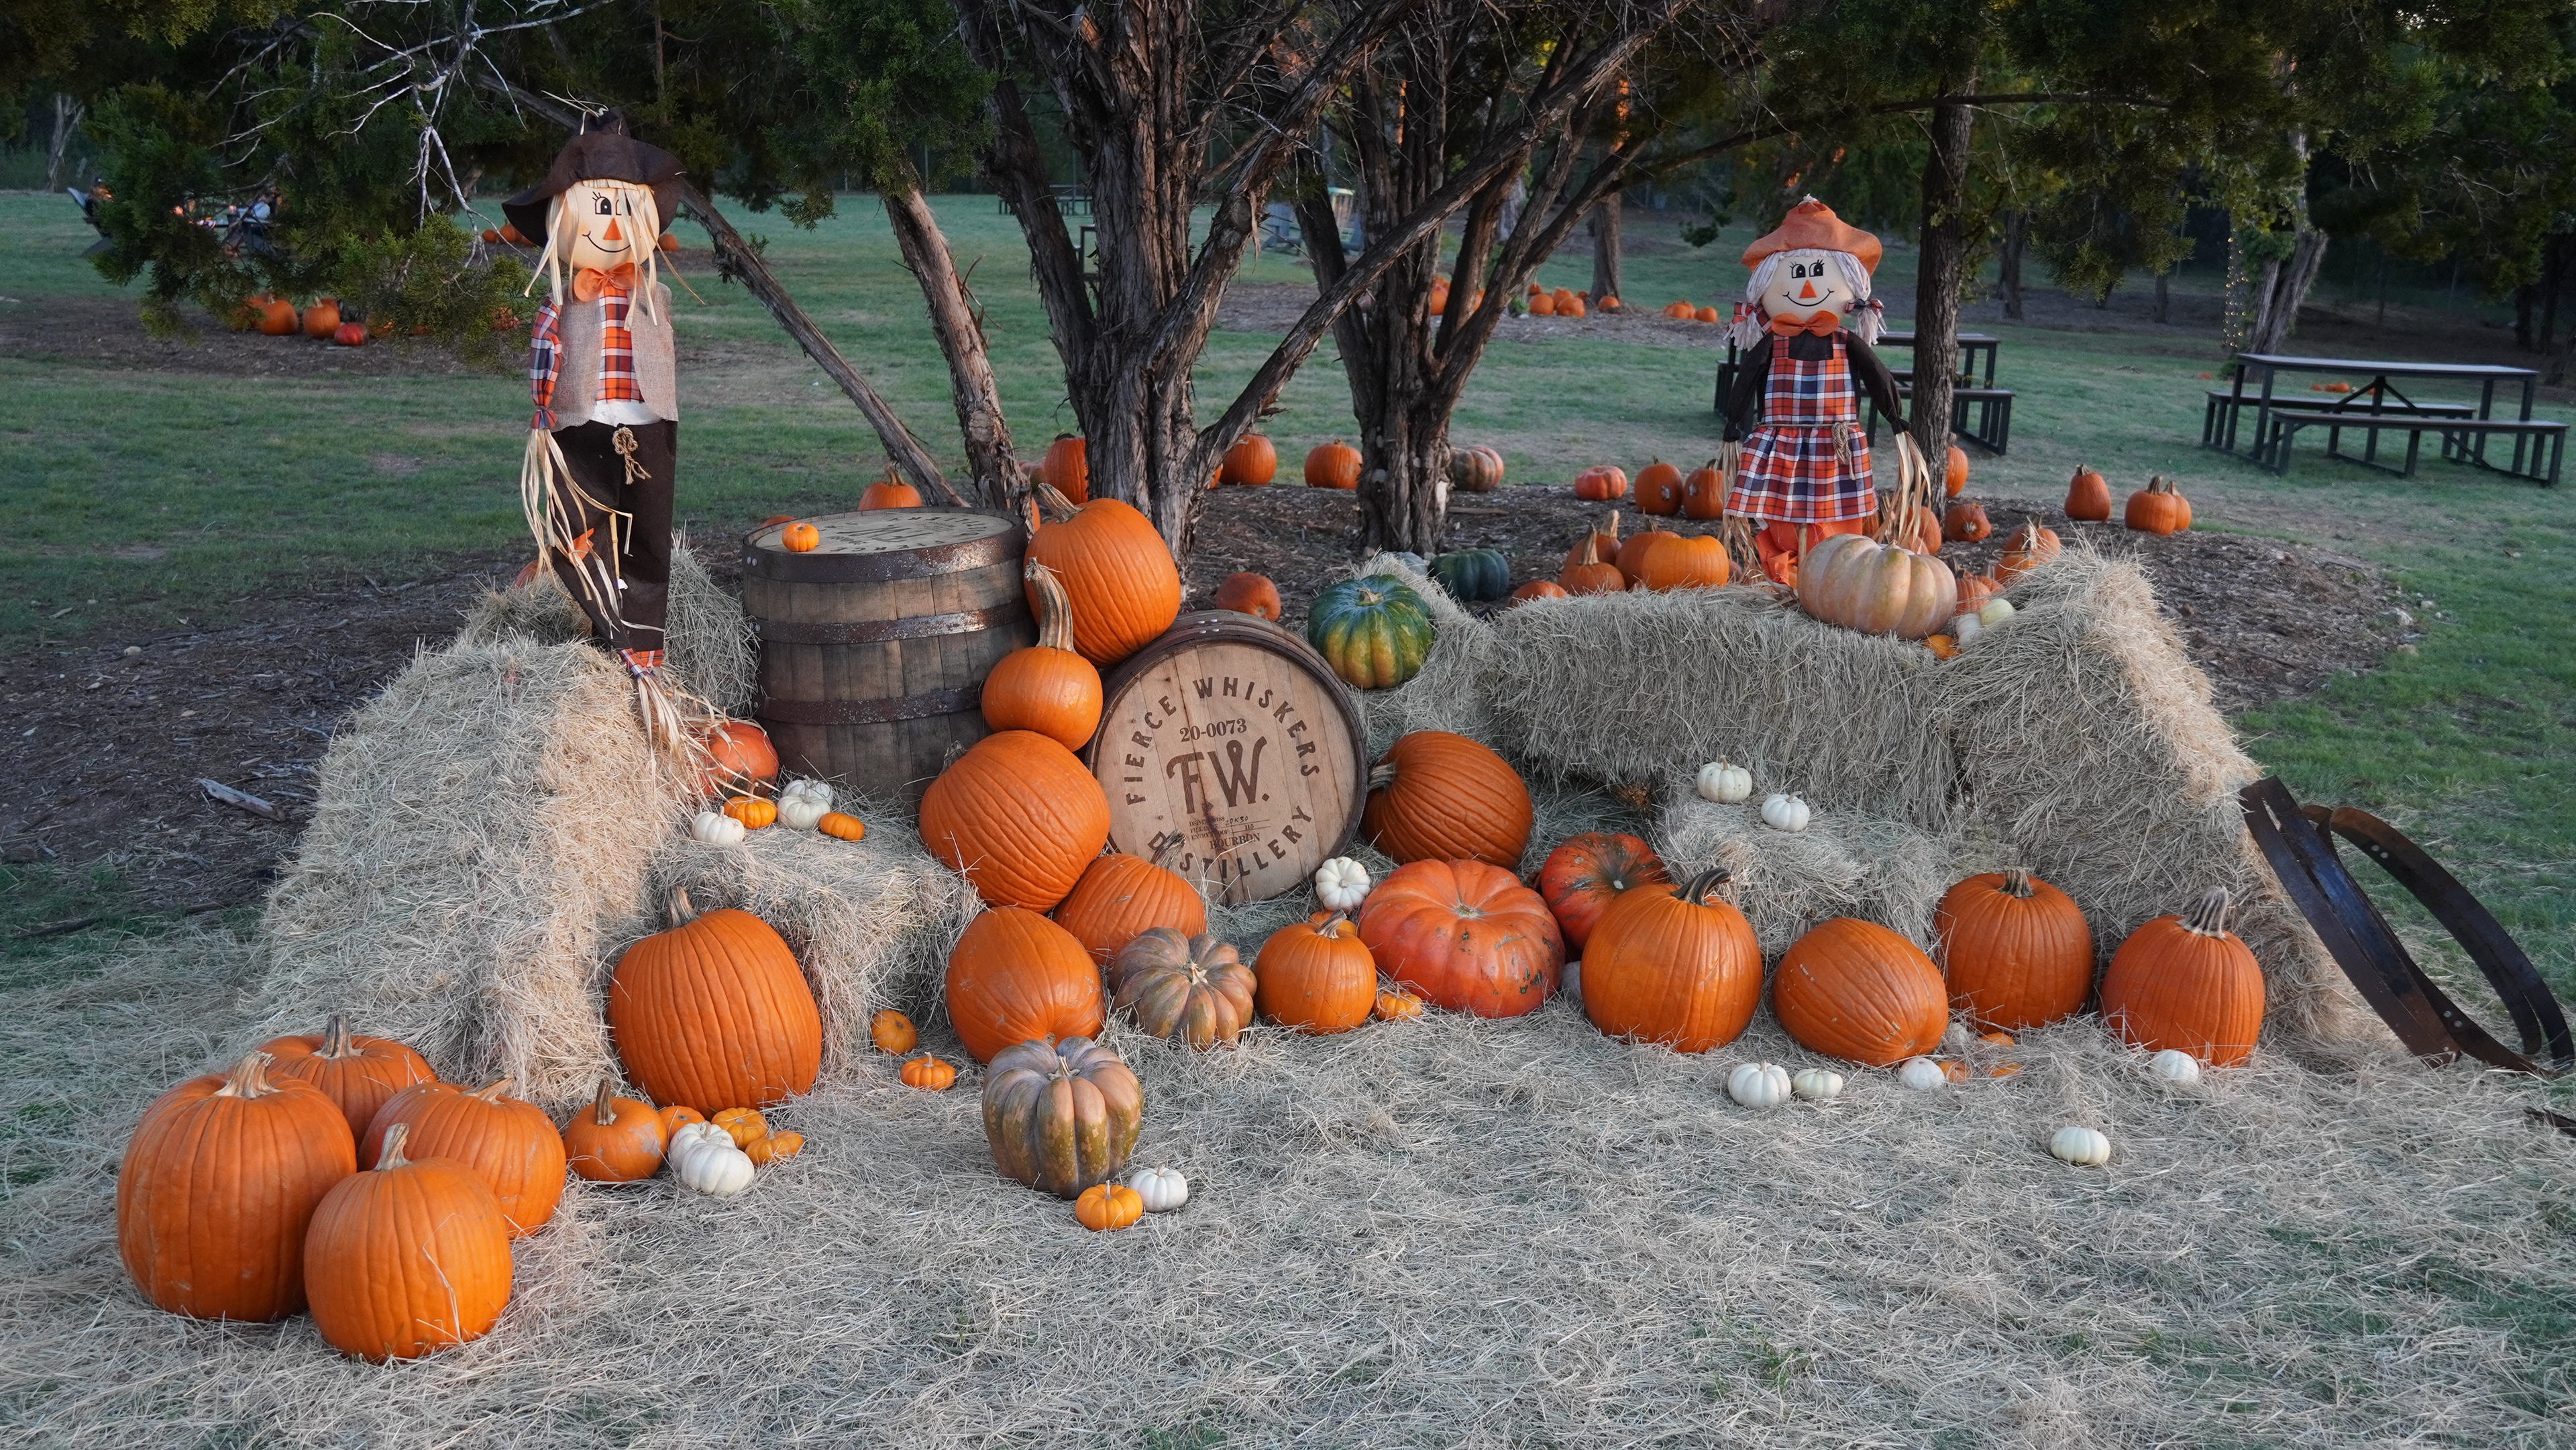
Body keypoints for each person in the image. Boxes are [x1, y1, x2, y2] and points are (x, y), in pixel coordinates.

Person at [505, 113, 690, 753]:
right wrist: (541, 420)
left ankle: (641, 647)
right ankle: (597, 629)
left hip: (647, 429)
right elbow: (544, 364)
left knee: (648, 535)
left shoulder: (654, 299)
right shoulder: (561, 301)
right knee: (580, 531)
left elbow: (663, 366)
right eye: (597, 211)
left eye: (622, 212)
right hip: (580, 428)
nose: (611, 227)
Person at [1718, 198, 1926, 585]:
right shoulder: (1772, 343)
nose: (1810, 286)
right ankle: (1788, 574)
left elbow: (1877, 376)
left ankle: (1831, 580)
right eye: (1797, 275)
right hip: (1782, 443)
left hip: (1836, 445)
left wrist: (1896, 419)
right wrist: (1734, 422)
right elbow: (1745, 380)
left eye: (1818, 274)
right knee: (1783, 515)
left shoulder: (1847, 341)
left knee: (1837, 522)